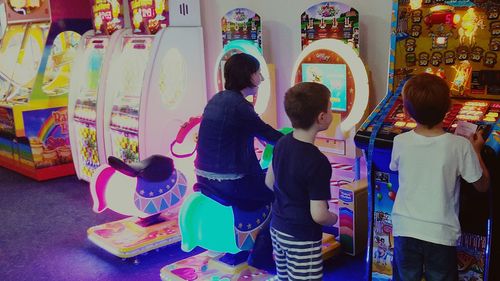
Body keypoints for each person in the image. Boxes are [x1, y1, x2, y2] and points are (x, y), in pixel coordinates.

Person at [390, 73, 490, 281]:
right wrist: (477, 152)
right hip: (440, 233)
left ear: (407, 112)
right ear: (449, 107)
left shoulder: (400, 141)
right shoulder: (459, 145)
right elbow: (482, 185)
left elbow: (398, 170)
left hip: (405, 228)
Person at [194, 53, 283, 268]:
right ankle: (260, 255)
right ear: (247, 75)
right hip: (231, 183)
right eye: (257, 73)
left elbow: (249, 134)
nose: (261, 78)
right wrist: (300, 139)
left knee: (264, 177)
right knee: (281, 194)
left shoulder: (218, 99)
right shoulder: (241, 107)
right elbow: (268, 135)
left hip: (203, 177)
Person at [265, 82, 338, 281]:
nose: (331, 112)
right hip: (302, 237)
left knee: (284, 277)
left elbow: (269, 183)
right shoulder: (317, 162)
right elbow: (319, 214)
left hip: (277, 227)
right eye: (330, 108)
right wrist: (334, 219)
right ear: (321, 117)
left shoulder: (281, 142)